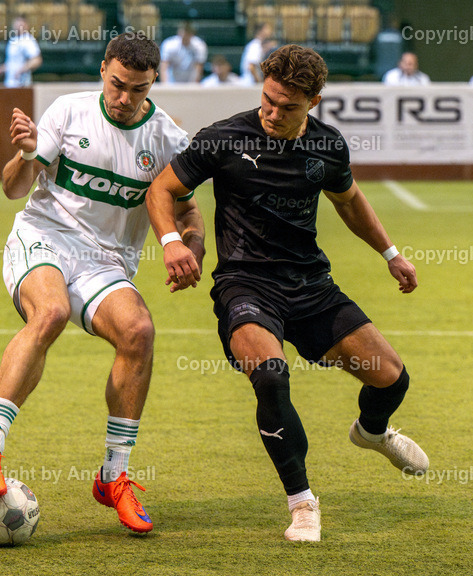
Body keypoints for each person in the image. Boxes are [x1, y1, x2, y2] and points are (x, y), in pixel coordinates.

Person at [146, 44, 429, 542]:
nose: (272, 113)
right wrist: (172, 242)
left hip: (310, 285)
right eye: (268, 100)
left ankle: (371, 431)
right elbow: (161, 190)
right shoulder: (224, 138)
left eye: (287, 107)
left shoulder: (328, 146)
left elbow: (349, 201)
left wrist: (391, 254)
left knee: (391, 379)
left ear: (313, 102)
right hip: (245, 284)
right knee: (272, 378)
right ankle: (302, 504)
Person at [0, 32, 207, 536]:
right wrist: (26, 155)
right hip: (43, 238)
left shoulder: (167, 138)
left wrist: (191, 245)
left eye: (138, 89)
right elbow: (13, 189)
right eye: (117, 84)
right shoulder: (68, 112)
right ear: (103, 70)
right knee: (51, 312)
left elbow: (187, 209)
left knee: (139, 332)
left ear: (153, 82)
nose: (124, 98)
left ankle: (114, 476)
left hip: (106, 263)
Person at [0, 16, 43, 87]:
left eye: (21, 25)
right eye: (17, 25)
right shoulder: (13, 40)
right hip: (9, 83)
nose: (19, 27)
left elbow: (36, 60)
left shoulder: (28, 41)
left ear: (27, 26)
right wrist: (2, 68)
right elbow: (13, 63)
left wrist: (22, 70)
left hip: (22, 84)